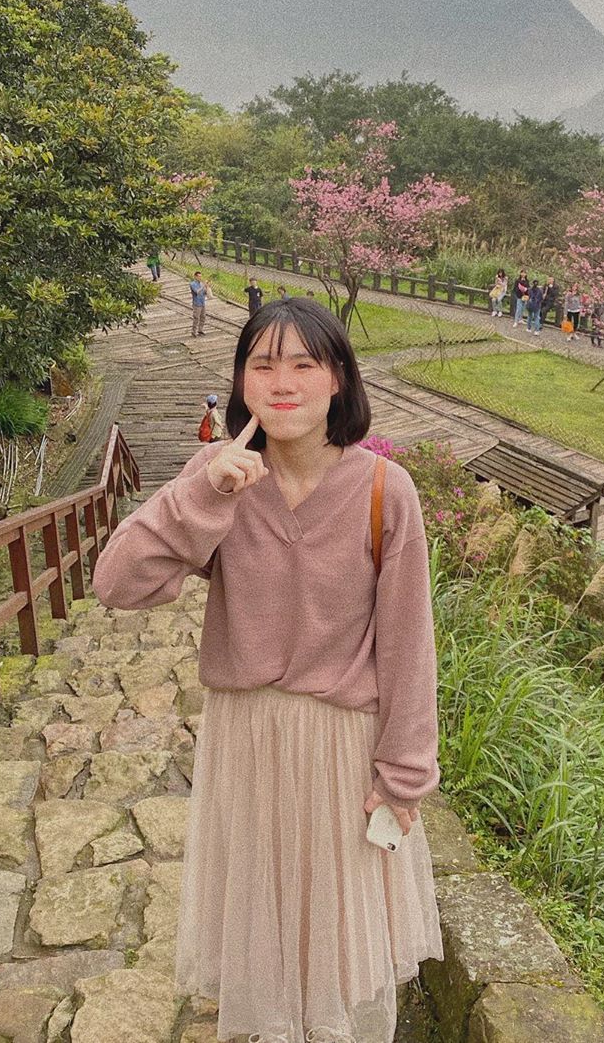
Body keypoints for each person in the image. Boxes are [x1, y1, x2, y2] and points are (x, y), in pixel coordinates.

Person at [92, 298, 443, 1042]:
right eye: (263, 365)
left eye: (304, 364)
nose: (283, 382)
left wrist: (404, 773)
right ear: (242, 385)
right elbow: (115, 583)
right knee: (263, 928)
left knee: (342, 943)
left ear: (339, 380)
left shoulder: (386, 492)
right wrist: (204, 492)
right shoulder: (219, 481)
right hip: (245, 739)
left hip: (343, 749)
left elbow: (409, 644)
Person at [190, 272, 211, 337]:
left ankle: (200, 330)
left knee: (203, 317)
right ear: (195, 276)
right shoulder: (192, 284)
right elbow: (197, 292)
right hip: (197, 303)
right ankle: (194, 331)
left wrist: (208, 287)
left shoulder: (201, 284)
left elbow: (205, 292)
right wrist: (203, 286)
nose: (200, 278)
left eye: (200, 276)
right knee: (196, 318)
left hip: (202, 303)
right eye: (198, 276)